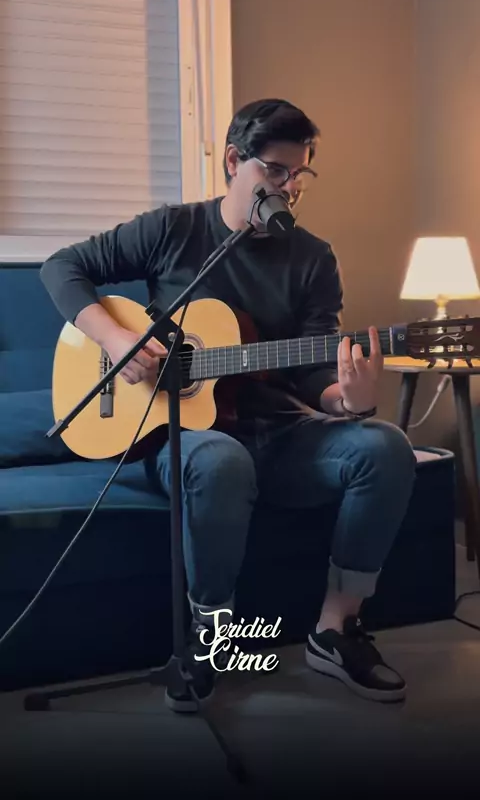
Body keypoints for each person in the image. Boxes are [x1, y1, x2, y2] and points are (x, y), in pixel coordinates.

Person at [40, 98, 417, 712]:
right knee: (222, 460)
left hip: (283, 434)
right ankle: (211, 637)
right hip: (186, 438)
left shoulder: (313, 258)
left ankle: (336, 628)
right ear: (235, 161)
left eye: (301, 174)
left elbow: (314, 369)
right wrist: (116, 339)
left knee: (385, 446)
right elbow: (63, 267)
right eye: (275, 171)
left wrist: (347, 399)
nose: (290, 188)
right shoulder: (174, 230)